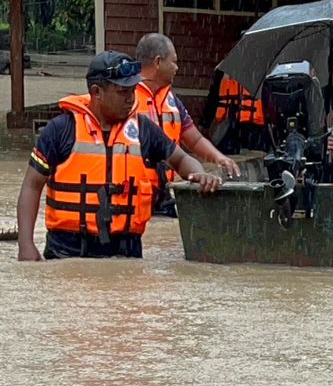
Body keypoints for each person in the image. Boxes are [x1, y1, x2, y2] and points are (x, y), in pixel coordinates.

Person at [17, 51, 223, 261]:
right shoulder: (61, 129)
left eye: (132, 90)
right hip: (66, 252)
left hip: (126, 252)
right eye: (122, 92)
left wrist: (199, 174)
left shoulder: (144, 130)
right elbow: (32, 186)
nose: (131, 98)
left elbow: (180, 159)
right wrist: (26, 245)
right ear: (97, 92)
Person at [135, 33, 240, 215]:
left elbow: (195, 140)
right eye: (174, 62)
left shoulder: (172, 100)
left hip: (164, 193)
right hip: (134, 195)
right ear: (158, 62)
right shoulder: (127, 99)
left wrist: (218, 158)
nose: (177, 67)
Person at [200, 70, 267, 153]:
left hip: (244, 130)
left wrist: (204, 123)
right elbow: (213, 98)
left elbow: (213, 99)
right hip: (238, 128)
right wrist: (205, 123)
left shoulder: (228, 68)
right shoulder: (264, 71)